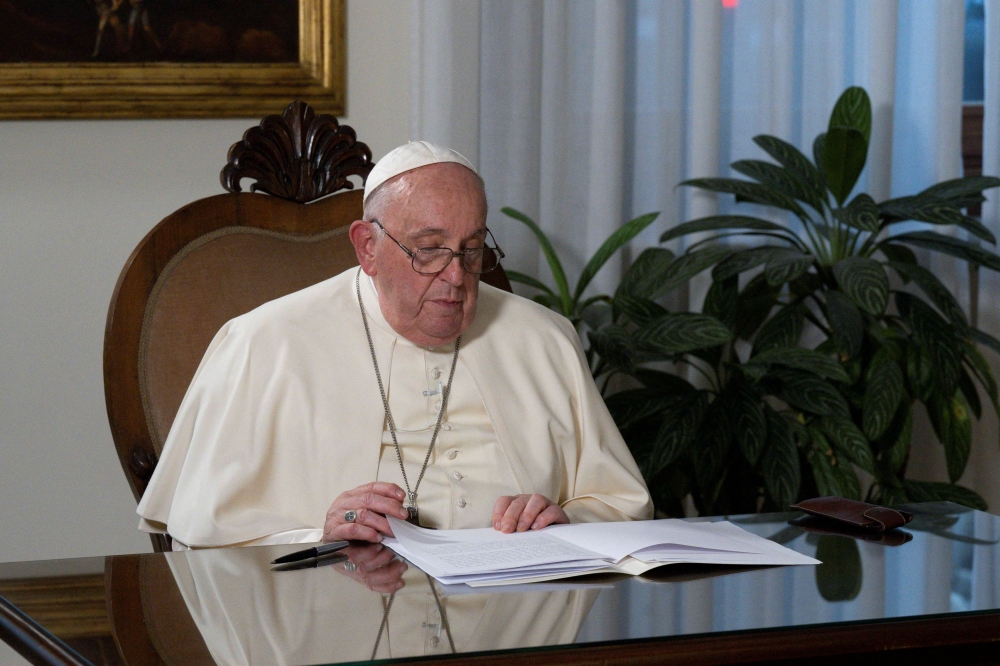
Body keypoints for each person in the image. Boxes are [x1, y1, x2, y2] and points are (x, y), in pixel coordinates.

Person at [136, 141, 652, 551]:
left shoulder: (542, 338)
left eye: (472, 250)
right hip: (340, 617)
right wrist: (320, 535)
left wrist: (566, 522)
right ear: (368, 247)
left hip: (517, 617)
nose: (456, 276)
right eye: (429, 251)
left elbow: (619, 504)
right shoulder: (263, 344)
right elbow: (201, 538)